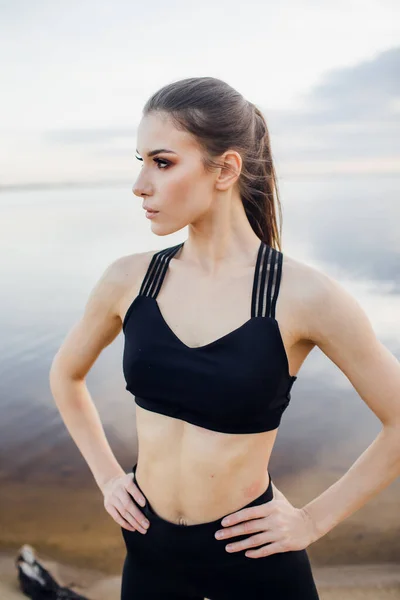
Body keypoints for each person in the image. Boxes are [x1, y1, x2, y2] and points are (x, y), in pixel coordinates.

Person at [49, 77, 400, 600]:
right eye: (140, 160)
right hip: (149, 555)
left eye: (162, 162)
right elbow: (66, 376)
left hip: (254, 562)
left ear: (226, 170)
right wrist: (107, 479)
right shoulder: (128, 279)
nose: (140, 184)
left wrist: (311, 521)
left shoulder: (305, 296)